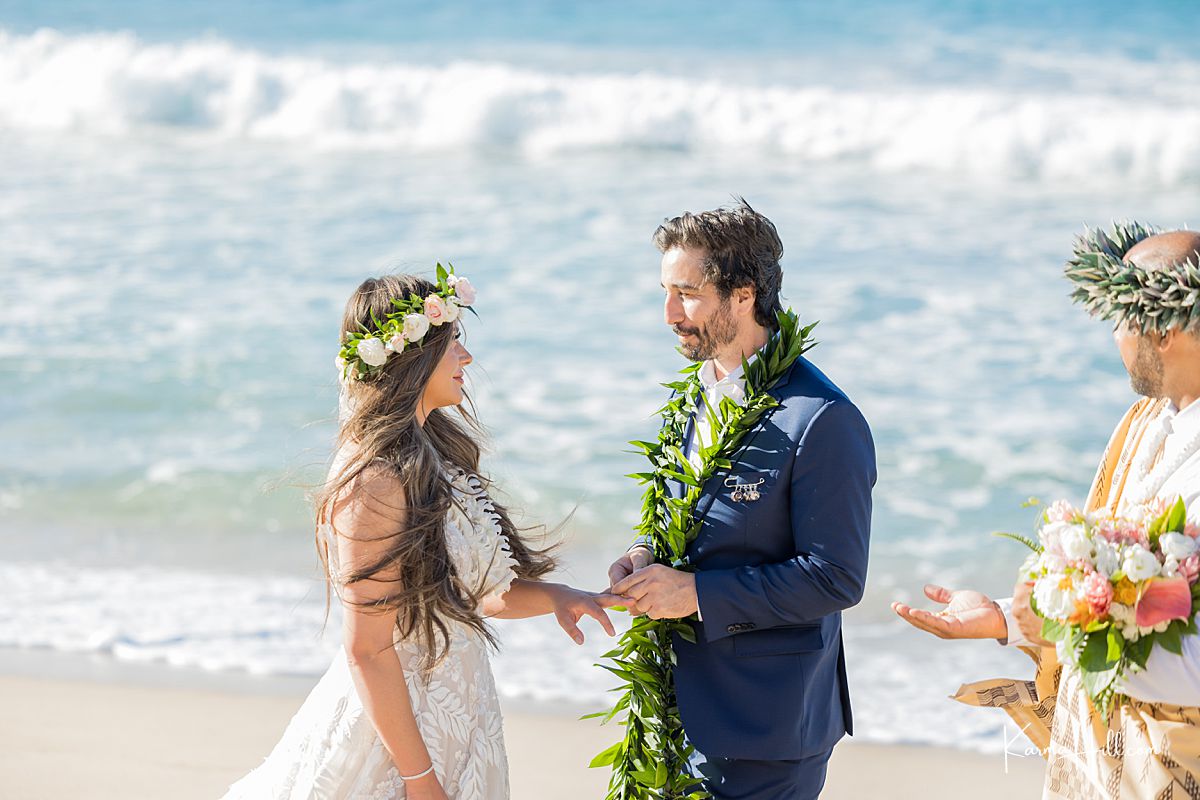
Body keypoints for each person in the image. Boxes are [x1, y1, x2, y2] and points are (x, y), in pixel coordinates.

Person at [224, 271, 620, 800]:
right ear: (411, 356)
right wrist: (420, 780)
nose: (466, 358)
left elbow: (471, 596)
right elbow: (367, 647)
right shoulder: (375, 480)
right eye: (453, 341)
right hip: (396, 738)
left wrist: (558, 597)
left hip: (458, 716)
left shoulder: (435, 456)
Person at [892, 226, 1200, 798]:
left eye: (1121, 318)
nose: (1115, 338)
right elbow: (1118, 592)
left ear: (1167, 330)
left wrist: (1058, 626)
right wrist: (1010, 618)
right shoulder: (1144, 426)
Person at [607, 200, 876, 800]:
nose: (670, 313)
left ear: (744, 294)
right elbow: (702, 520)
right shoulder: (700, 390)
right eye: (665, 292)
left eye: (688, 293)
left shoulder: (824, 420)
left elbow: (836, 578)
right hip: (679, 711)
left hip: (767, 728)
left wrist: (695, 594)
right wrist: (646, 552)